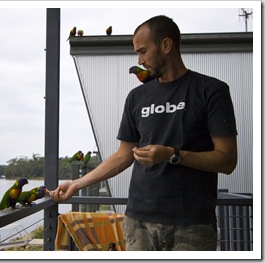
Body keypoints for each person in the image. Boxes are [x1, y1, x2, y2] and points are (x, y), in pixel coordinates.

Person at [50, 15, 238, 251]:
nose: (139, 59)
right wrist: (78, 184)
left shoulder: (212, 91)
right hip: (138, 221)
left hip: (192, 223)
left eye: (143, 51)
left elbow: (227, 160)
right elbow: (123, 155)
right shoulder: (136, 97)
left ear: (166, 46)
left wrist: (172, 154)